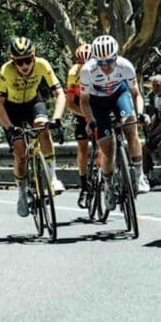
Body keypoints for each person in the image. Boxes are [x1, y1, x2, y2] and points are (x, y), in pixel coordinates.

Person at [0, 37, 66, 217]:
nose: (24, 65)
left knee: (43, 127)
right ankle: (22, 192)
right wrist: (9, 127)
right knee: (20, 153)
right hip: (12, 109)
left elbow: (60, 94)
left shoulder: (42, 65)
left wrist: (57, 117)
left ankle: (52, 177)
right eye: (19, 62)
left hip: (33, 103)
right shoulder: (6, 70)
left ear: (34, 57)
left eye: (28, 60)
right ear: (13, 61)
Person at [79, 35, 151, 212]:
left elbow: (136, 94)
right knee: (107, 148)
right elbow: (84, 101)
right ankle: (108, 184)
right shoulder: (87, 71)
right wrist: (90, 121)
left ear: (116, 57)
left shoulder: (125, 66)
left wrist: (140, 113)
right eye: (101, 63)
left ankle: (139, 175)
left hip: (120, 96)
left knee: (130, 128)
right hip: (97, 104)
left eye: (109, 62)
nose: (105, 67)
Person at [65, 43, 93, 207]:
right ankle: (84, 186)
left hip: (96, 105)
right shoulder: (73, 73)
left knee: (104, 145)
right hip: (80, 108)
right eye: (82, 63)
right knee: (82, 147)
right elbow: (69, 103)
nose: (85, 67)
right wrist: (86, 116)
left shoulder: (99, 70)